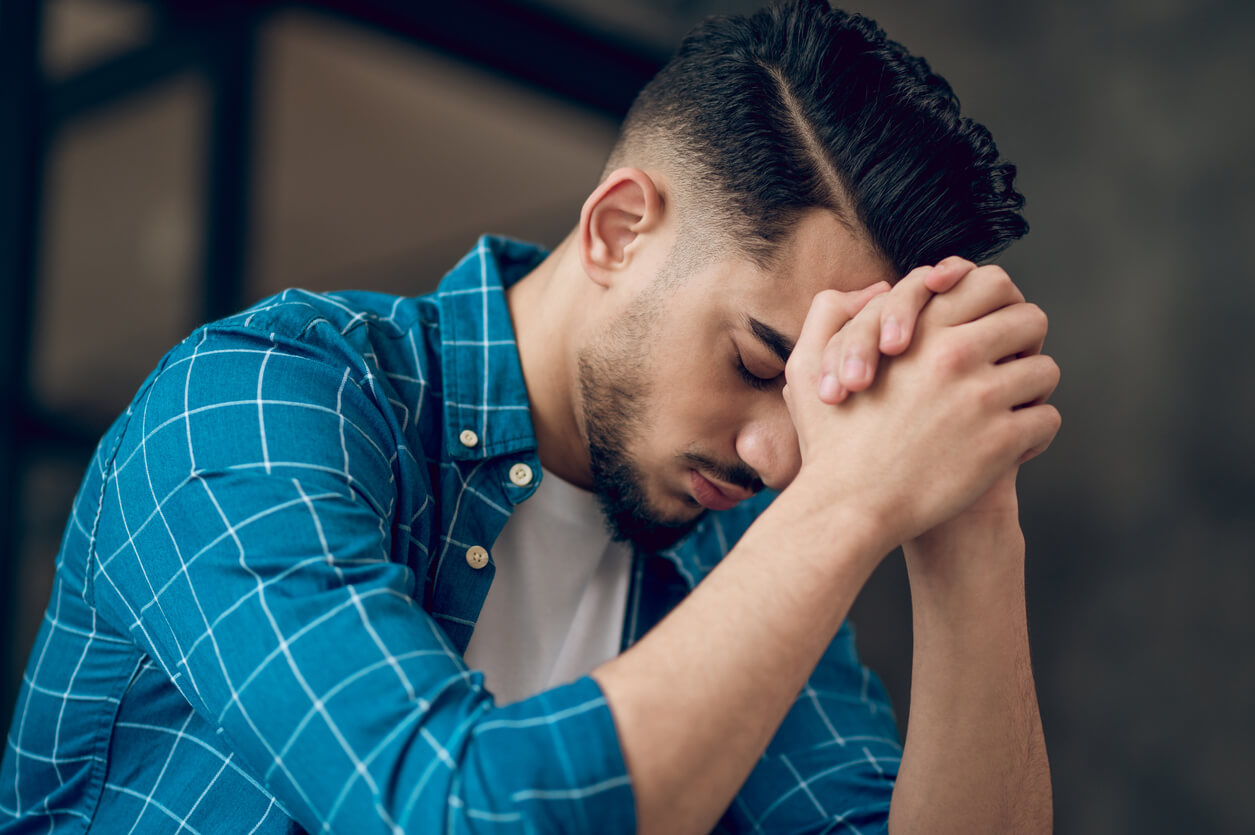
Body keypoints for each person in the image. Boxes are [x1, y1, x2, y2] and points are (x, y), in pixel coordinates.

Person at [0, 1, 1060, 832]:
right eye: (752, 360)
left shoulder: (731, 540)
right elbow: (447, 809)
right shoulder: (250, 406)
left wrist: (971, 518)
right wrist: (848, 501)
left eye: (819, 397)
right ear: (617, 231)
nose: (779, 455)